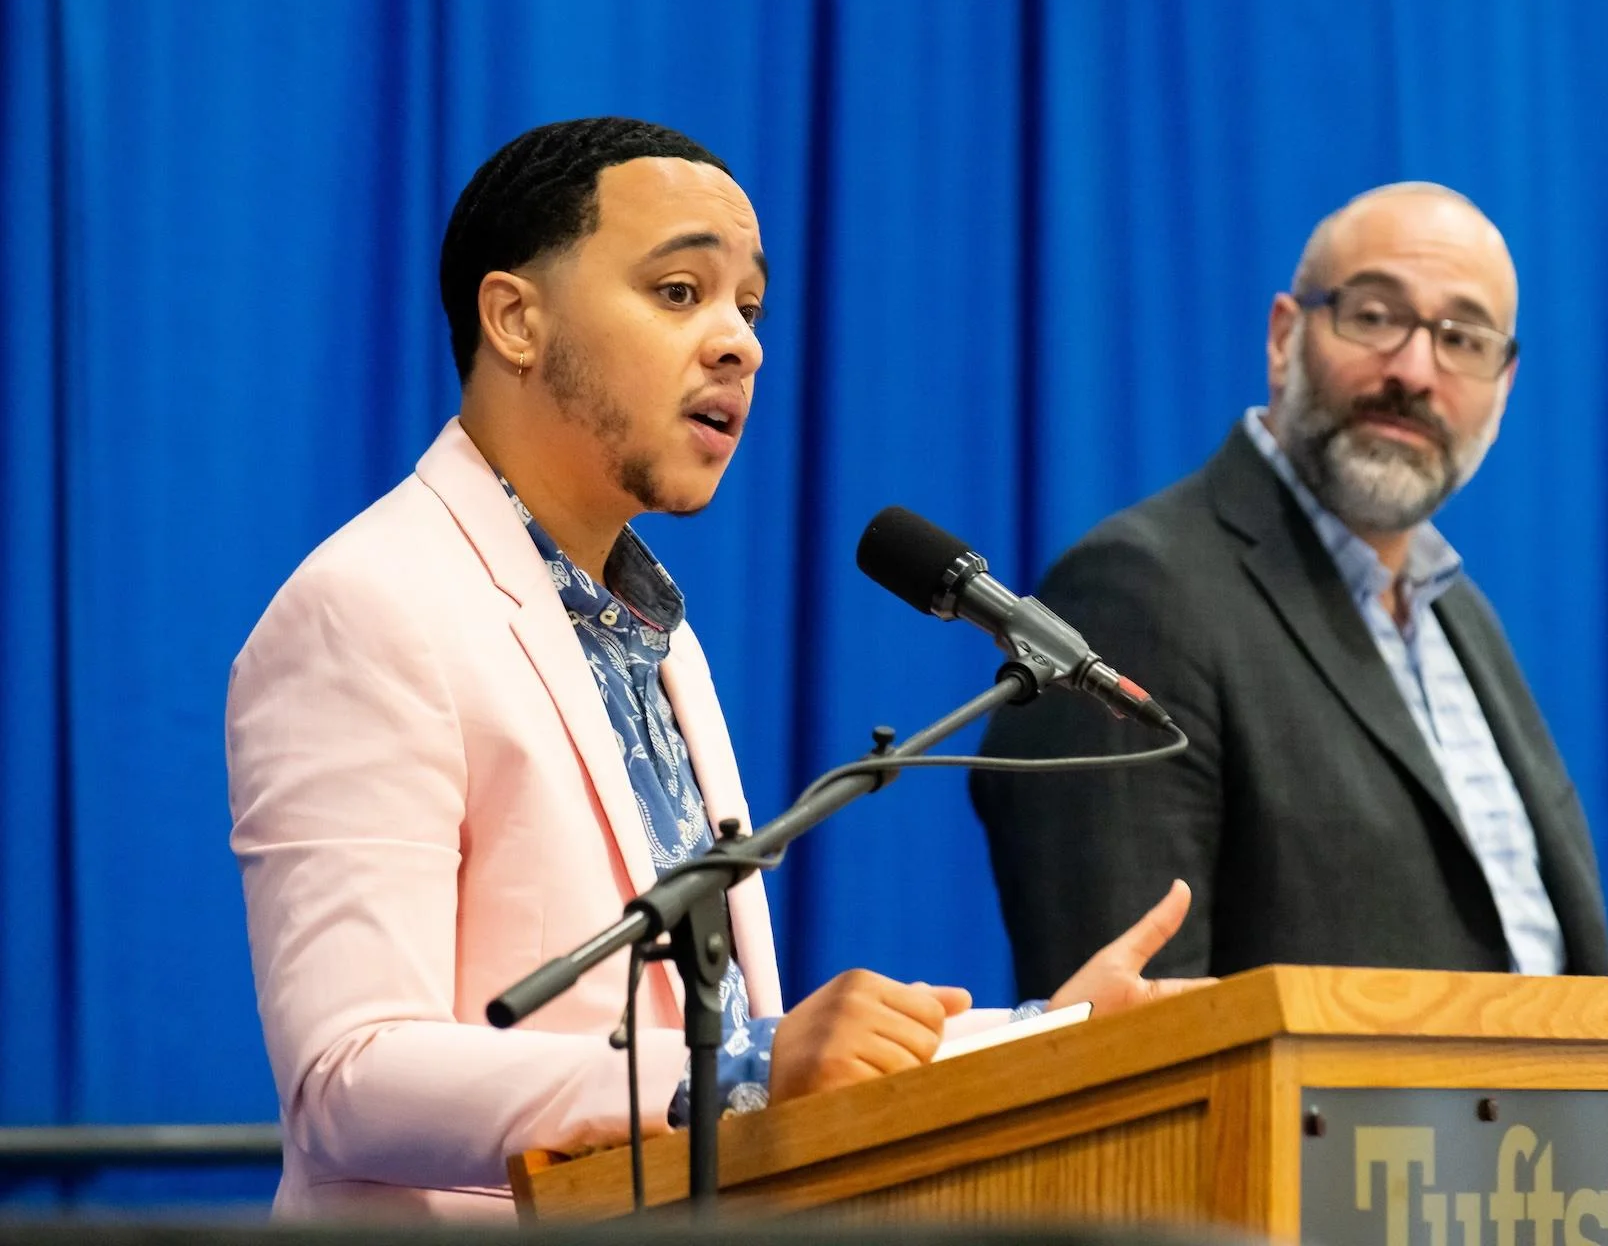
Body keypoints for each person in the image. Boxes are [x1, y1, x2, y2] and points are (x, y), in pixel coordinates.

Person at [227, 117, 1198, 1220]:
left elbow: (734, 1042)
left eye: (750, 307)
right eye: (682, 291)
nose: (741, 343)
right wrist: (740, 1074)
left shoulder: (660, 632)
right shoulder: (369, 608)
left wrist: (1051, 1035)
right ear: (514, 319)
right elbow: (347, 1079)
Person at [969, 182, 1608, 1001]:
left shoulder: (1461, 617)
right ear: (1284, 337)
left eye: (1463, 338)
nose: (1415, 371)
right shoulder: (1135, 595)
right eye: (1376, 316)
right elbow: (1124, 1034)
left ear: (1504, 383)